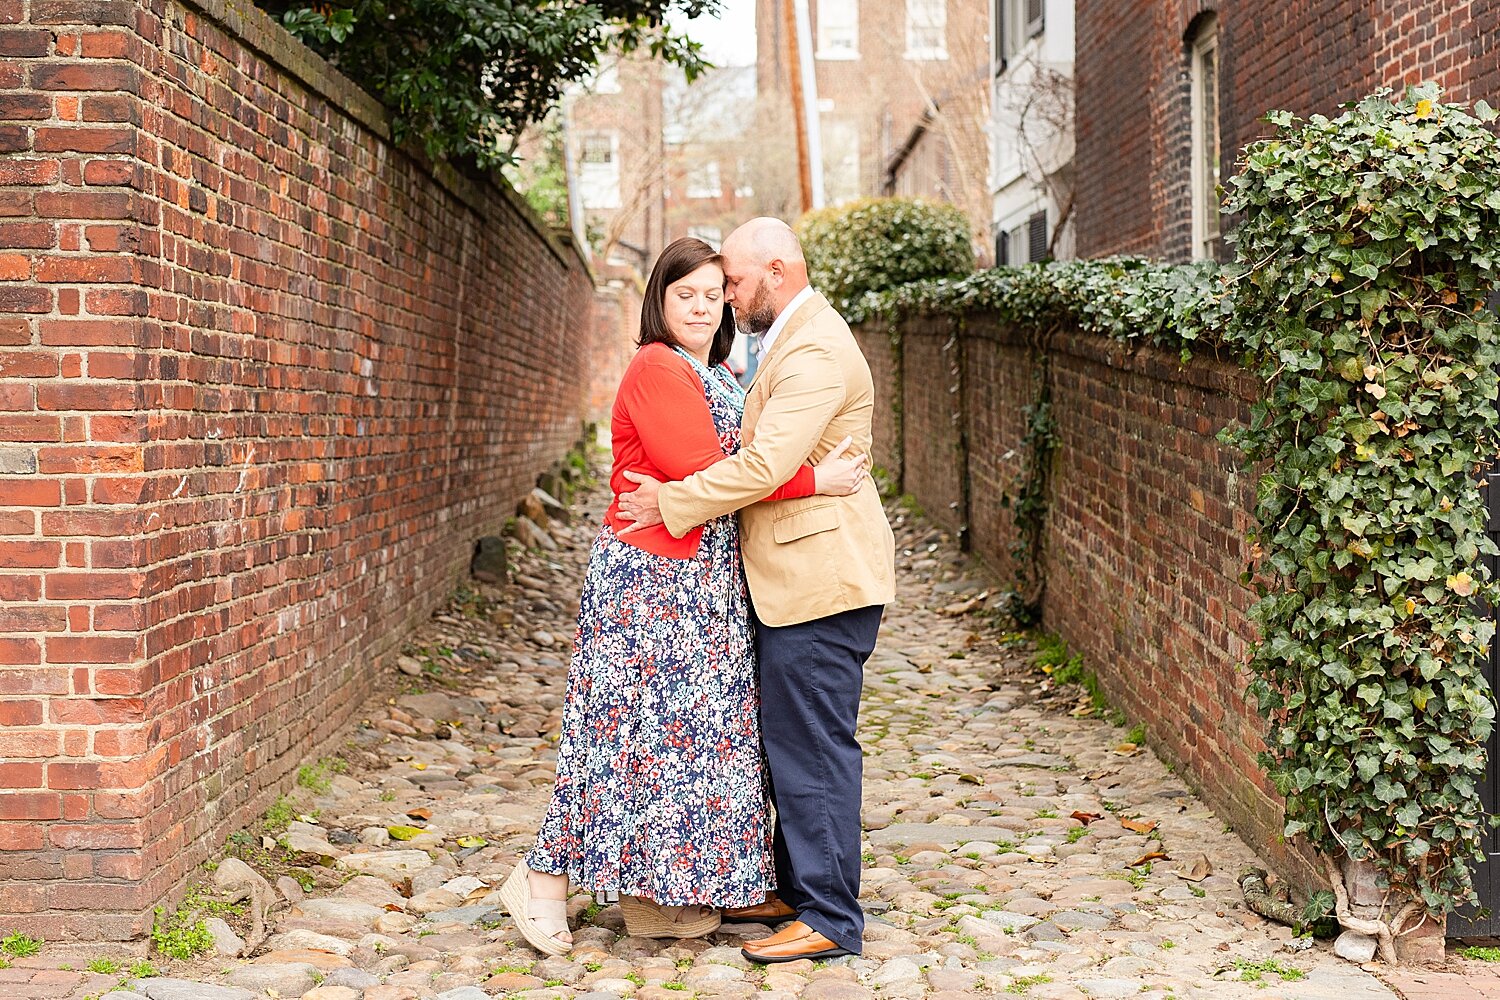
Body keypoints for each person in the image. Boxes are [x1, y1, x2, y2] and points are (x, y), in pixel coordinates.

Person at [499, 237, 869, 956]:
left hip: (702, 582)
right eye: (685, 295)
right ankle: (544, 878)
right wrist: (812, 482)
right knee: (618, 738)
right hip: (652, 585)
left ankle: (669, 891)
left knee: (685, 747)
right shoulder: (657, 368)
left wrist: (719, 487)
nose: (702, 307)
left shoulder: (718, 370)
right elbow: (712, 470)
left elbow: (723, 474)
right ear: (658, 301)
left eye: (713, 293)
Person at [616, 218, 896, 964]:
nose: (727, 299)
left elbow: (761, 464)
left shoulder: (814, 350)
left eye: (734, 282)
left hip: (819, 583)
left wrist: (669, 503)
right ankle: (795, 890)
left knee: (813, 749)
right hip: (791, 580)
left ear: (776, 270)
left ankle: (832, 917)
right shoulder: (784, 343)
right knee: (785, 745)